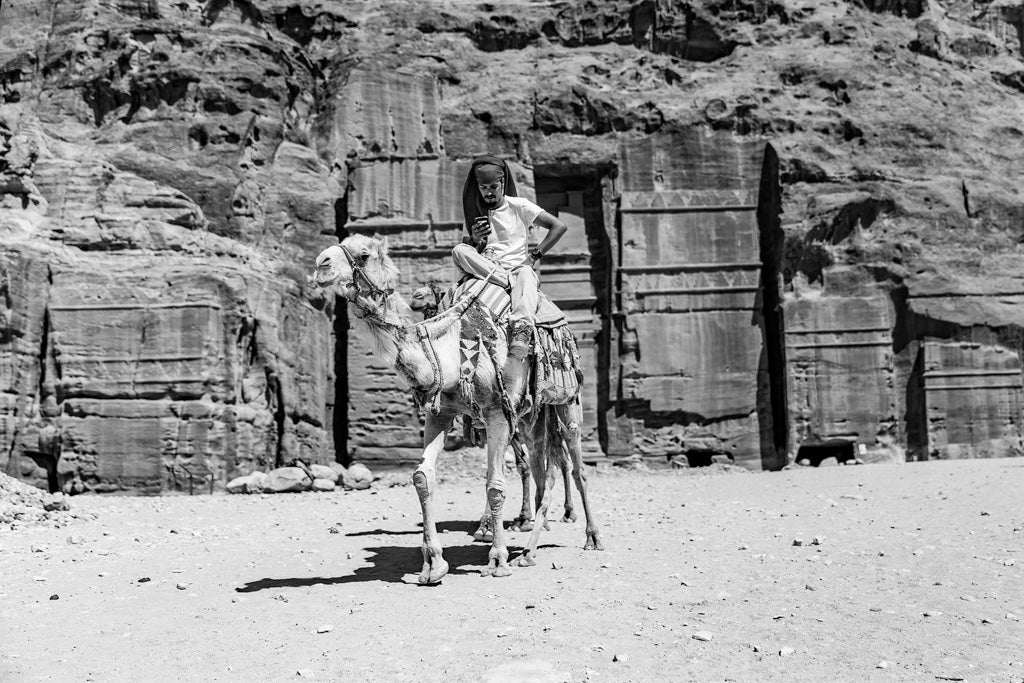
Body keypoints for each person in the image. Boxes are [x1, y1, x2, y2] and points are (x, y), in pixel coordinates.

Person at [452, 155, 568, 358]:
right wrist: (474, 239)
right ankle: (506, 281)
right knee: (459, 250)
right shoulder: (473, 212)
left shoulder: (519, 205)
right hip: (489, 269)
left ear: (502, 183)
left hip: (516, 268)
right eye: (483, 187)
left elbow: (559, 226)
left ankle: (521, 330)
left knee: (525, 273)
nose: (488, 192)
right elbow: (470, 251)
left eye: (493, 186)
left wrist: (533, 256)